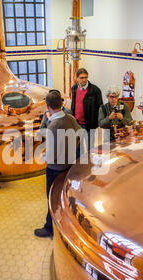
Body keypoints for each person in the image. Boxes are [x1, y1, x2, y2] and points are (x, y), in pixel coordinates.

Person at [34, 90, 81, 238]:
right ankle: (65, 223)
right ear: (61, 103)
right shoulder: (70, 118)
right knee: (63, 196)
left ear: (48, 107)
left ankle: (49, 228)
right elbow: (80, 134)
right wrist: (71, 149)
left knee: (51, 197)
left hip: (54, 169)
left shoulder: (53, 126)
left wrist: (43, 156)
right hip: (68, 166)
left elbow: (52, 155)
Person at [70, 68, 103, 152]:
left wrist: (96, 123)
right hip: (76, 123)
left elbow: (100, 108)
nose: (84, 80)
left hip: (89, 125)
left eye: (86, 77)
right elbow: (73, 104)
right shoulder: (74, 88)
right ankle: (78, 164)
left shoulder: (95, 90)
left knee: (90, 148)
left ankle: (89, 164)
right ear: (76, 78)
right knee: (77, 147)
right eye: (81, 78)